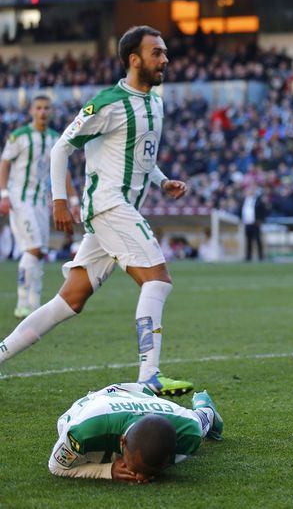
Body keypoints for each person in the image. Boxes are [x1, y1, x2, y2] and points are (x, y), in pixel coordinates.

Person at [0, 26, 194, 397]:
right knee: (158, 280)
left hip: (117, 210)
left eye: (165, 52)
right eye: (157, 52)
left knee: (68, 301)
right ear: (134, 59)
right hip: (108, 205)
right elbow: (61, 148)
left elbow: (141, 157)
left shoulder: (156, 102)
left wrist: (162, 181)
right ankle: (148, 376)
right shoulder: (108, 103)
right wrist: (60, 200)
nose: (165, 59)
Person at [0, 96, 79, 318]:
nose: (43, 112)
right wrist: (4, 194)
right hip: (20, 199)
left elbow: (64, 172)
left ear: (51, 111)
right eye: (39, 108)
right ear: (31, 111)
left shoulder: (55, 139)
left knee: (40, 251)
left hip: (41, 202)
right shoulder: (20, 136)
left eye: (46, 108)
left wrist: (73, 200)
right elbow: (4, 164)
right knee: (33, 248)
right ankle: (23, 301)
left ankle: (34, 304)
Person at [49, 383, 222, 481]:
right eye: (138, 469)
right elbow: (56, 467)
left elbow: (195, 425)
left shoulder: (188, 431)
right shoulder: (82, 431)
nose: (140, 478)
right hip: (101, 400)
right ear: (123, 441)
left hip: (143, 396)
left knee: (201, 423)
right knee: (76, 442)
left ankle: (204, 404)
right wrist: (107, 471)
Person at [240, 185, 268, 261]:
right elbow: (241, 211)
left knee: (258, 240)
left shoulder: (258, 200)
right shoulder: (244, 200)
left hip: (255, 223)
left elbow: (263, 211)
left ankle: (261, 256)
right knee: (248, 240)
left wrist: (261, 220)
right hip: (247, 223)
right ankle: (248, 256)